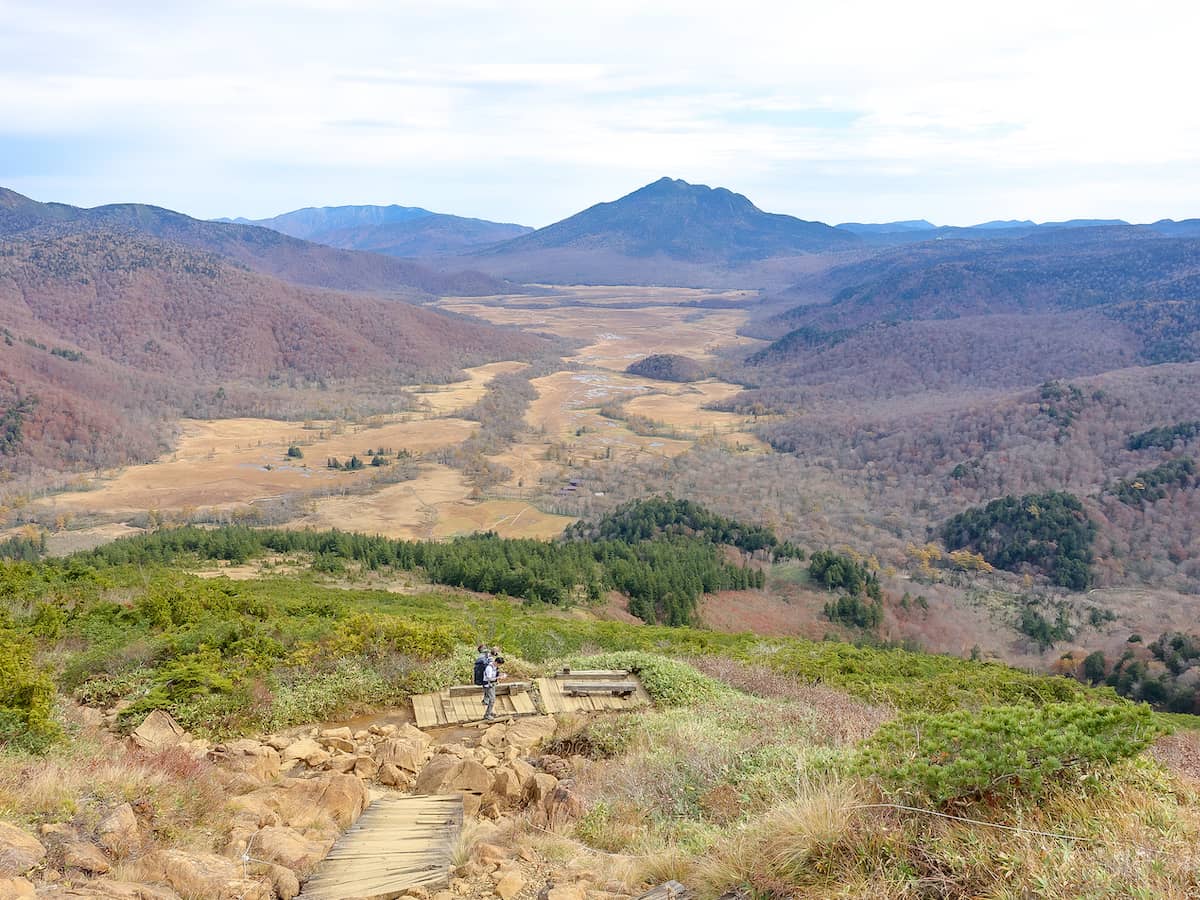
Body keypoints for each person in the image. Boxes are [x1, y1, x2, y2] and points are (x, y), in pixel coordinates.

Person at [481, 654, 502, 721]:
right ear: (496, 662)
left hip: (492, 685)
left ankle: (489, 712)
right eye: (499, 664)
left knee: (492, 699)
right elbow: (489, 678)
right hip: (488, 686)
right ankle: (487, 715)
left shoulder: (494, 667)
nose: (499, 666)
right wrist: (498, 678)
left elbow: (495, 674)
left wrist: (499, 677)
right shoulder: (489, 668)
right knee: (492, 700)